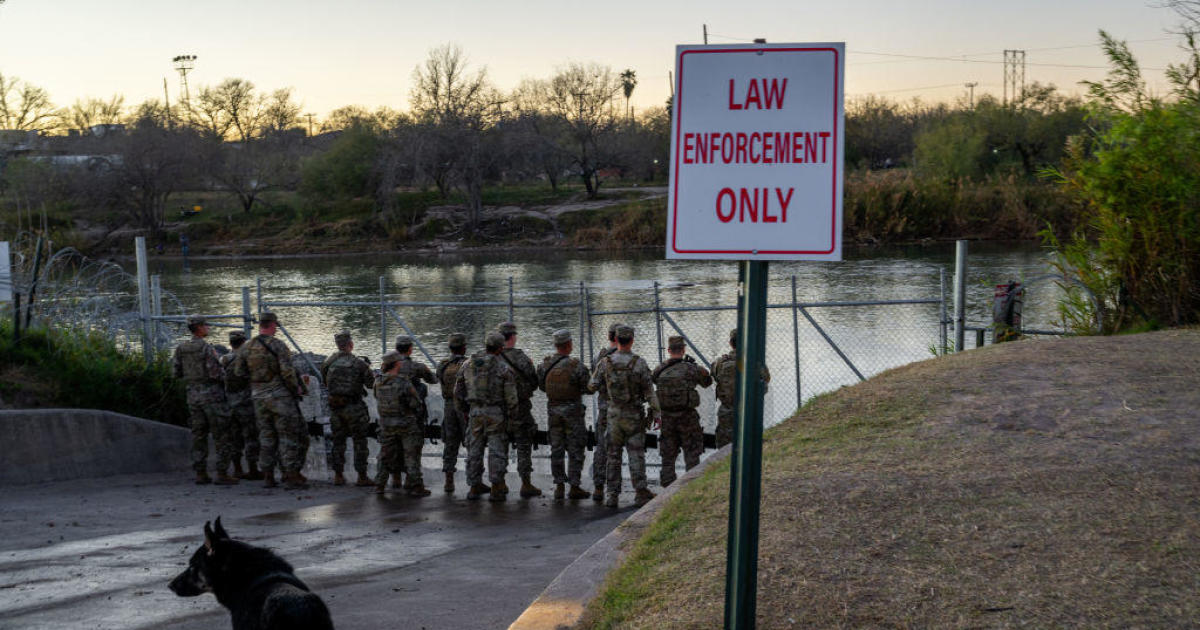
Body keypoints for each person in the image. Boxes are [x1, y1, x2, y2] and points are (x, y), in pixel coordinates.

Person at [233, 312, 309, 490]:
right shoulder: (279, 345)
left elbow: (239, 372)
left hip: (258, 397)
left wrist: (257, 382)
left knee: (266, 436)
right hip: (280, 398)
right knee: (287, 436)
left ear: (260, 325)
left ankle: (268, 475)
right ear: (273, 324)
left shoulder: (247, 346)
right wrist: (295, 389)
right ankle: (290, 475)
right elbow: (287, 373)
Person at [590, 324, 660, 508]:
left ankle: (612, 495)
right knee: (636, 454)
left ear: (616, 339)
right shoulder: (639, 363)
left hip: (613, 415)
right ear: (632, 340)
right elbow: (649, 392)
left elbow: (591, 385)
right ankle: (640, 492)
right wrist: (657, 412)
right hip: (634, 415)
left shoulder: (605, 362)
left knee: (613, 455)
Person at [173, 316, 238, 486]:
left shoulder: (181, 348)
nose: (208, 327)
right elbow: (215, 373)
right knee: (221, 434)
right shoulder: (207, 349)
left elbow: (176, 373)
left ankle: (200, 472)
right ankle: (222, 472)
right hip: (212, 397)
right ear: (199, 328)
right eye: (206, 325)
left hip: (193, 396)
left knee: (198, 435)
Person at [454, 332, 519, 501]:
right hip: (496, 413)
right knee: (496, 450)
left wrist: (465, 411)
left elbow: (458, 392)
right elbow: (511, 398)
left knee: (474, 450)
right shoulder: (503, 368)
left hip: (475, 412)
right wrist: (512, 418)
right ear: (500, 348)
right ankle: (496, 487)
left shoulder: (468, 364)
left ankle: (474, 487)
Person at [537, 329, 592, 501]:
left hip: (553, 411)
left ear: (556, 345)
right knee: (576, 448)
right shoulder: (576, 366)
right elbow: (587, 388)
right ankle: (574, 486)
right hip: (573, 412)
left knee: (557, 448)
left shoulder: (544, 365)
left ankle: (559, 486)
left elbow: (541, 386)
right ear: (569, 345)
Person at [652, 336, 713, 487]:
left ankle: (667, 487)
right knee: (691, 453)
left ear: (668, 350)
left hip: (667, 418)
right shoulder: (691, 368)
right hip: (687, 417)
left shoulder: (659, 369)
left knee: (668, 454)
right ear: (684, 349)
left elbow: (653, 380)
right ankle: (691, 486)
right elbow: (707, 382)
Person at [320, 331, 374, 487]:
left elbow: (325, 382)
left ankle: (338, 475)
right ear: (351, 344)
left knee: (338, 442)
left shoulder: (328, 362)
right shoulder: (359, 363)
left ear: (338, 345)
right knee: (360, 442)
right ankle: (362, 476)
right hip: (355, 407)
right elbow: (371, 384)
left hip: (336, 408)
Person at [373, 350, 429, 496]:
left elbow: (376, 397)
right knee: (411, 454)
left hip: (385, 424)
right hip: (405, 423)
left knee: (385, 455)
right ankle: (416, 486)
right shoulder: (403, 382)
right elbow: (416, 403)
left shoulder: (378, 381)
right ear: (397, 363)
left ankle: (380, 484)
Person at [496, 322, 542, 498]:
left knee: (499, 446)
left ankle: (499, 483)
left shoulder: (492, 358)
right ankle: (526, 483)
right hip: (520, 408)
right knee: (523, 445)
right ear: (513, 337)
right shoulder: (521, 358)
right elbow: (534, 381)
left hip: (499, 409)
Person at [390, 335, 437, 495]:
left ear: (396, 349)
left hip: (391, 412)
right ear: (410, 349)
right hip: (412, 413)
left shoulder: (387, 366)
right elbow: (433, 380)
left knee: (394, 445)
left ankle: (395, 478)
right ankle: (412, 480)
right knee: (413, 448)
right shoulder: (417, 367)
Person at [712, 328, 771, 449]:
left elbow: (713, 376)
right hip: (749, 411)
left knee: (725, 451)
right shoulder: (755, 362)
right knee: (751, 447)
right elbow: (766, 379)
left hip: (726, 412)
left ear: (730, 343)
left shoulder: (719, 362)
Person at [220, 330, 262, 480]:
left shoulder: (224, 359)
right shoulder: (247, 360)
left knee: (234, 438)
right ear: (244, 343)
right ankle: (252, 469)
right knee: (251, 436)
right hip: (246, 404)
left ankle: (237, 468)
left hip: (229, 404)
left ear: (230, 343)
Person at [589, 323, 621, 501]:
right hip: (622, 410)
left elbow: (592, 382)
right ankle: (613, 491)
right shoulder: (629, 358)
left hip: (604, 409)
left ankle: (598, 487)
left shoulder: (599, 358)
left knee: (601, 447)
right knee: (616, 450)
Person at [436, 333, 469, 493]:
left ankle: (449, 480)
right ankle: (473, 479)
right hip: (464, 406)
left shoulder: (443, 364)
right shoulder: (468, 364)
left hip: (448, 405)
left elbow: (438, 379)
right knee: (471, 442)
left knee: (450, 443)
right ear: (464, 347)